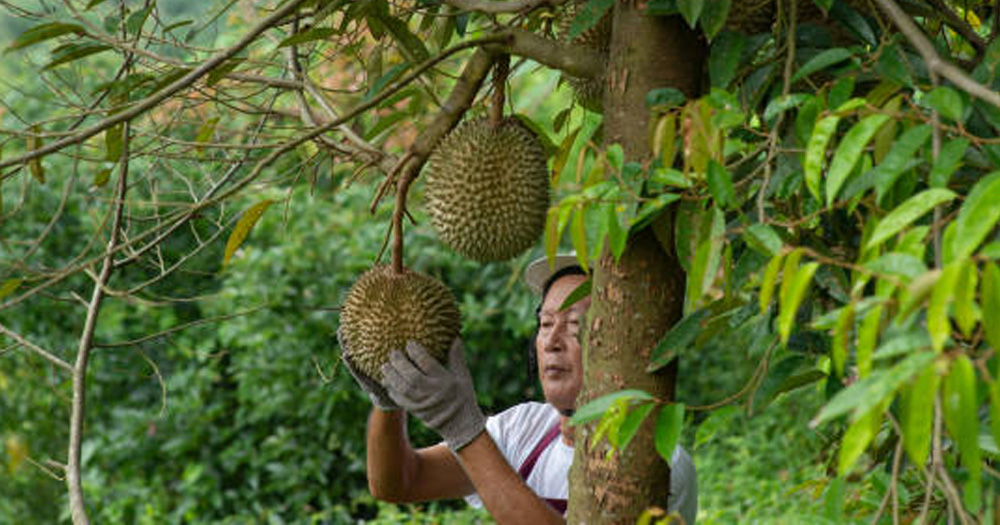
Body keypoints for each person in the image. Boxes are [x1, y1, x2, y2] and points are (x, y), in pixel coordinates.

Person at [340, 254, 697, 523]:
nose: (552, 342)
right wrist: (387, 404)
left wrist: (464, 428)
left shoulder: (657, 458)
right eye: (545, 323)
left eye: (576, 326)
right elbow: (401, 482)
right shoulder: (524, 428)